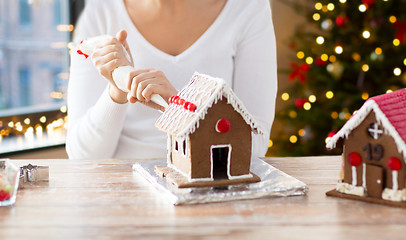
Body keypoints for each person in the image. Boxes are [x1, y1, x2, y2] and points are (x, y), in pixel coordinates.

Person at [66, 0, 278, 159]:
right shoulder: (101, 11)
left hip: (210, 189)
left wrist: (179, 108)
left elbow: (255, 143)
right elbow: (82, 155)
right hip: (121, 196)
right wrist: (116, 90)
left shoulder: (248, 8)